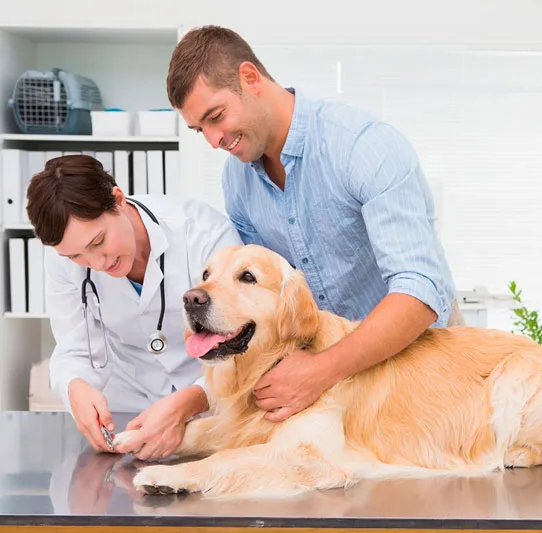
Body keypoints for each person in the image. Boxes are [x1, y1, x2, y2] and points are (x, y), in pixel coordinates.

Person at [165, 25, 464, 424]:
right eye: (200, 129)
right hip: (324, 374)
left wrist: (324, 369)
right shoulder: (237, 181)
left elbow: (420, 292)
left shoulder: (363, 146)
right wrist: (190, 403)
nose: (214, 140)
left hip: (417, 362)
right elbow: (260, 305)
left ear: (250, 78)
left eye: (216, 117)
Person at [26, 154, 243, 459]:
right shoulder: (62, 258)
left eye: (98, 242)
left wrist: (190, 401)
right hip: (126, 410)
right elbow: (75, 345)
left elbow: (239, 346)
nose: (96, 264)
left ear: (117, 200)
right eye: (76, 257)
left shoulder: (204, 234)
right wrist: (75, 387)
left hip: (210, 402)